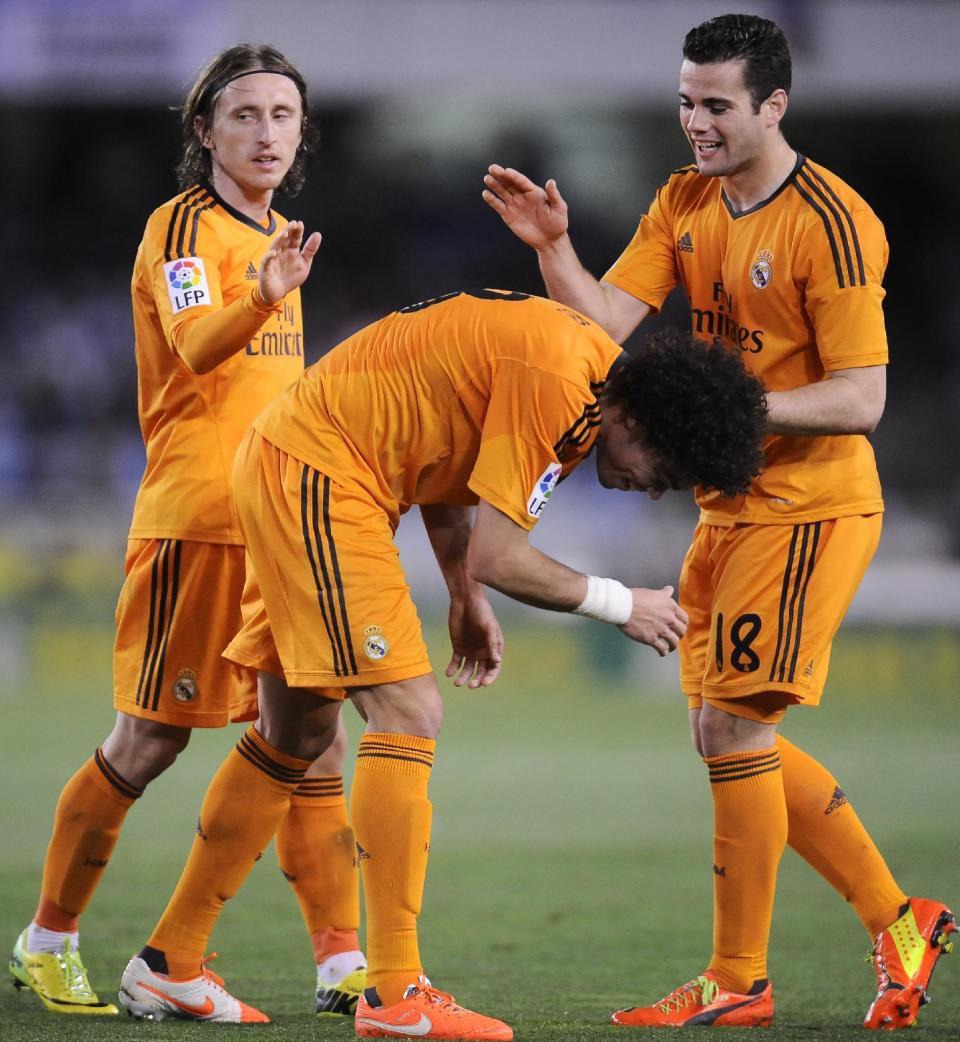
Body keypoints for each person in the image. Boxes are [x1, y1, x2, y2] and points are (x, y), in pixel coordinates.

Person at [113, 287, 768, 1036]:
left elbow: (443, 461)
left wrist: (463, 596)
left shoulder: (575, 368)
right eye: (667, 470)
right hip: (322, 478)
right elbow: (504, 555)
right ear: (636, 420)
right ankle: (396, 995)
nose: (656, 492)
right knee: (409, 711)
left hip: (299, 462)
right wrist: (623, 603)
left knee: (292, 733)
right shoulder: (563, 382)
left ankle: (170, 964)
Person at [482, 12, 955, 1032]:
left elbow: (862, 397)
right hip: (730, 504)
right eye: (686, 101)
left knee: (736, 723)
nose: (695, 122)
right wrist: (555, 250)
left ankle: (741, 977)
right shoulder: (684, 201)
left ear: (774, 105)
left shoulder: (831, 223)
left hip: (812, 502)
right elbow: (602, 322)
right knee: (720, 728)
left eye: (717, 106)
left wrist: (730, 407)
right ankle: (898, 918)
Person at [9, 44, 366, 1023]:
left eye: (283, 114)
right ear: (201, 130)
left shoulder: (286, 234)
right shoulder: (182, 229)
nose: (265, 132)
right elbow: (197, 348)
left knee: (312, 734)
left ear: (301, 135)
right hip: (198, 521)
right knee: (152, 736)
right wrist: (267, 290)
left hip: (281, 527)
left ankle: (344, 965)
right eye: (243, 113)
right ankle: (48, 941)